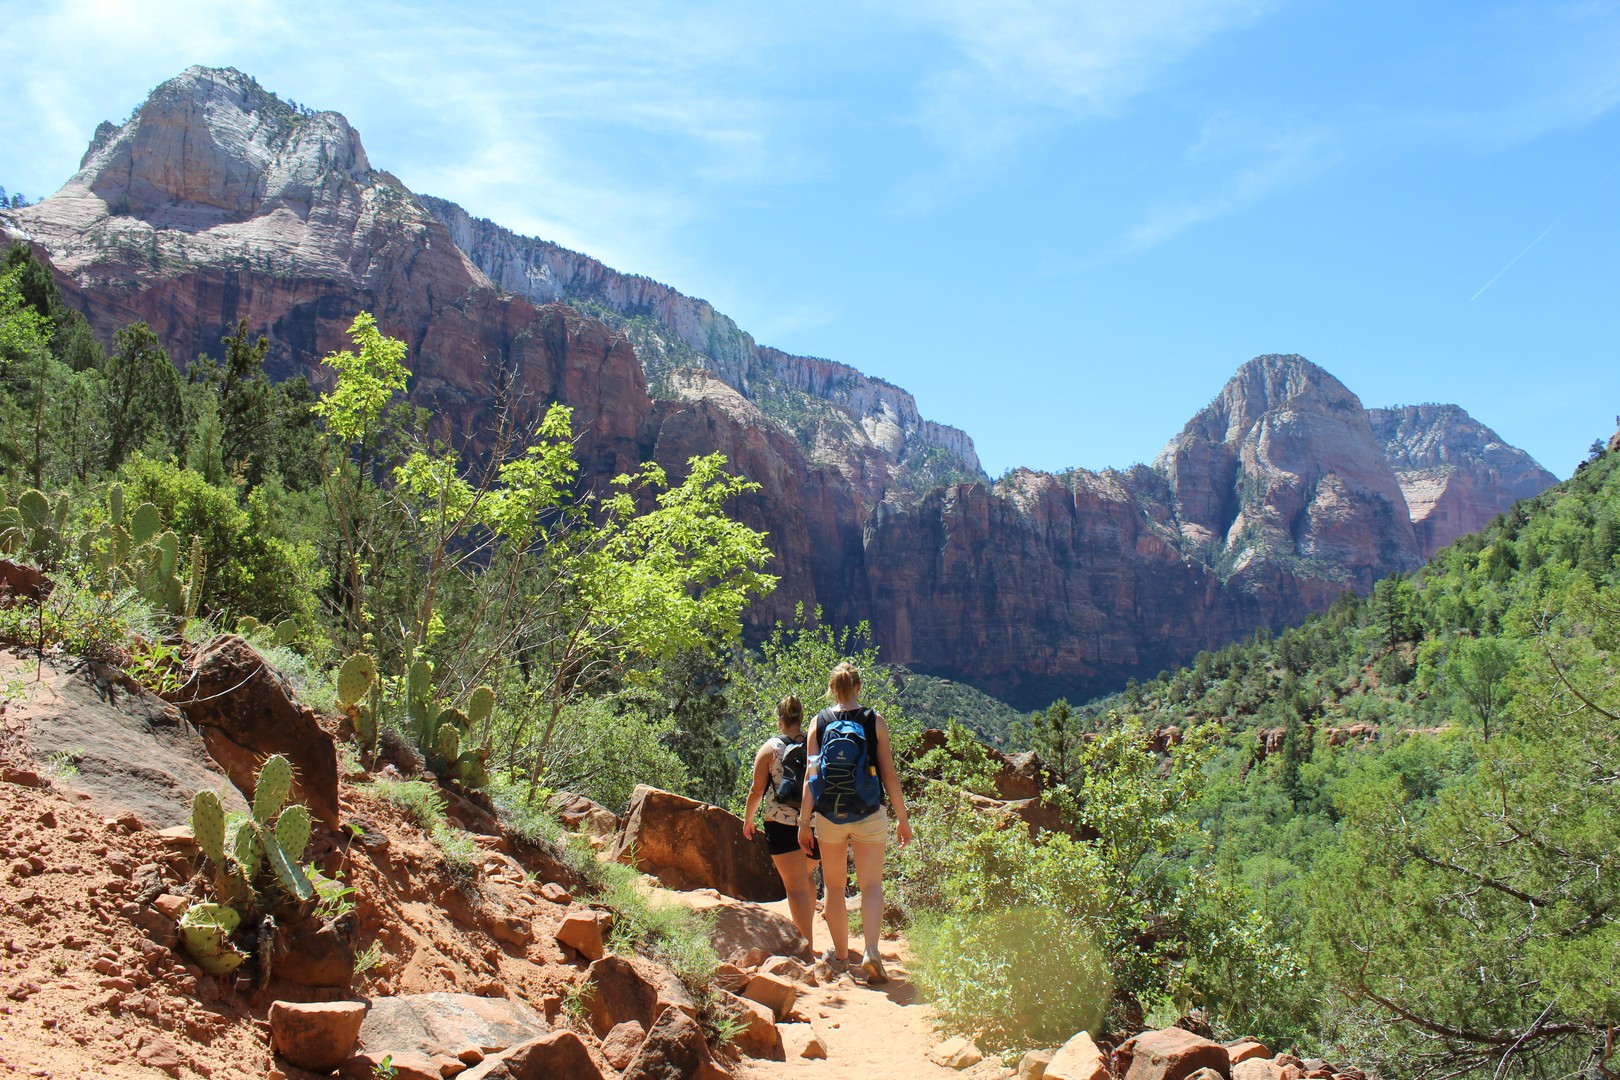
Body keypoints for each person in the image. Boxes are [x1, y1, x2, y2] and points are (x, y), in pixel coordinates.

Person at [798, 661, 911, 983]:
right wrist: (902, 819)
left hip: (830, 815)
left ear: (833, 688)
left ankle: (842, 958)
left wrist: (804, 822)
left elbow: (811, 775)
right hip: (869, 813)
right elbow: (888, 773)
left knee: (834, 887)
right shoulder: (874, 720)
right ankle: (872, 950)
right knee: (871, 885)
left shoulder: (818, 723)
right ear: (859, 687)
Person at [742, 695, 821, 952]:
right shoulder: (815, 744)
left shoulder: (770, 748)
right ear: (800, 718)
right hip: (815, 823)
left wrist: (748, 819)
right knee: (806, 877)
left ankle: (805, 947)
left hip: (781, 823)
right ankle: (809, 941)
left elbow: (757, 790)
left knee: (795, 886)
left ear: (780, 721)